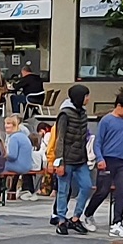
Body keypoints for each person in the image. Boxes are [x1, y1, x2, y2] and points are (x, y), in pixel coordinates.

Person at [83, 93, 123, 238]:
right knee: (103, 190)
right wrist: (100, 158)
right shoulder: (106, 121)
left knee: (122, 191)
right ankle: (88, 214)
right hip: (107, 160)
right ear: (118, 106)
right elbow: (98, 142)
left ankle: (117, 223)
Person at [48, 84, 92, 235]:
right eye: (86, 96)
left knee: (87, 186)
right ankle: (61, 220)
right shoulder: (64, 114)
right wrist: (58, 161)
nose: (88, 99)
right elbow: (59, 139)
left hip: (81, 159)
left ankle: (75, 218)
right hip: (66, 159)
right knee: (63, 190)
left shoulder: (83, 113)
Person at [4, 115, 37, 199]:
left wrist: (4, 156)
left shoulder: (14, 138)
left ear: (14, 125)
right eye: (5, 123)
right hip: (27, 165)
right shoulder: (22, 136)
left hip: (20, 167)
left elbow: (13, 156)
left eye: (8, 123)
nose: (5, 126)